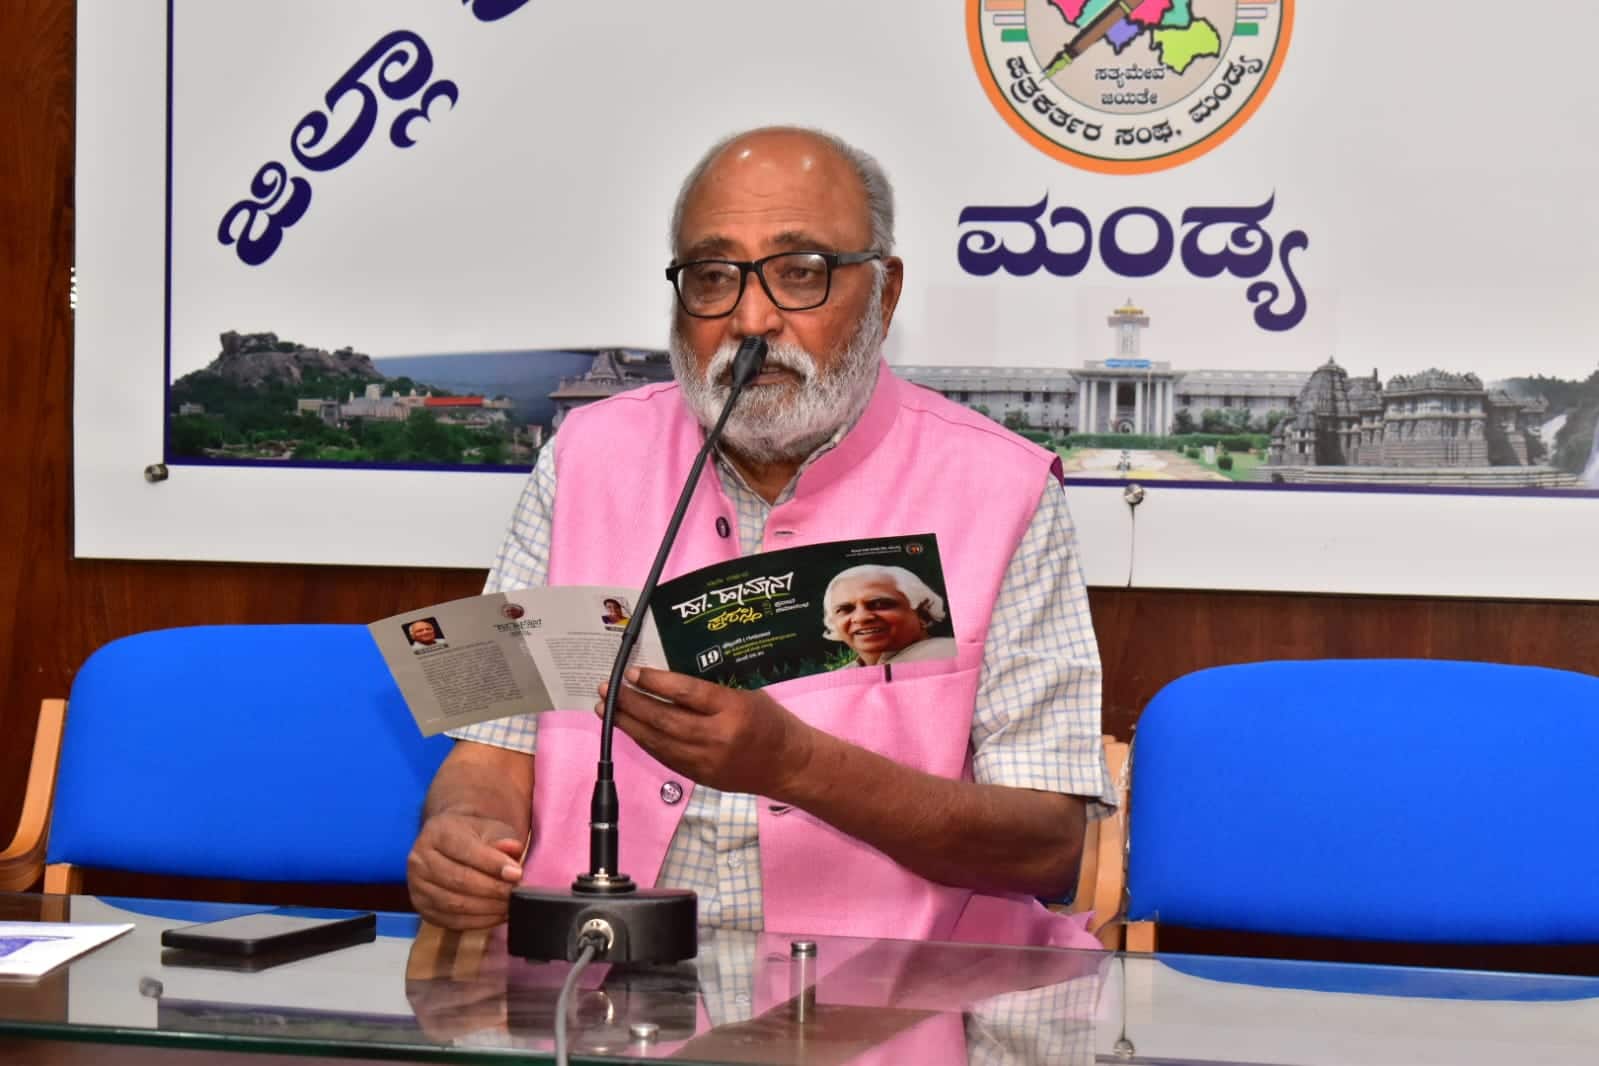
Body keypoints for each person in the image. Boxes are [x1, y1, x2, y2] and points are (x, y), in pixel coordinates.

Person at [407, 126, 1113, 948]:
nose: (751, 318)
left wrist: (797, 767)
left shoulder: (1003, 488)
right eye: (713, 277)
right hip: (590, 977)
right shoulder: (582, 456)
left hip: (885, 989)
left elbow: (1046, 846)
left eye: (799, 272)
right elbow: (488, 752)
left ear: (883, 293)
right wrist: (463, 833)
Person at [822, 564, 956, 667]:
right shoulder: (840, 677)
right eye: (845, 609)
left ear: (923, 614)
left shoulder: (949, 654)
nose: (861, 617)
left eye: (879, 604)